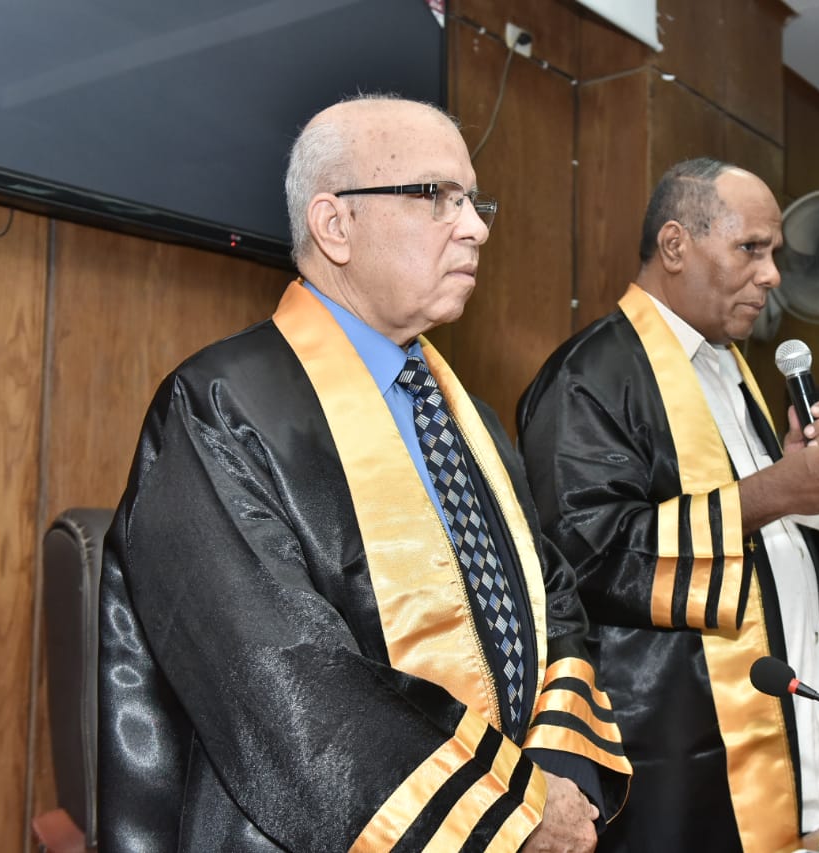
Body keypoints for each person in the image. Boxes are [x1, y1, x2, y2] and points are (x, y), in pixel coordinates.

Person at [97, 95, 630, 853]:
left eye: (474, 201)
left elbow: (554, 602)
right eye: (437, 196)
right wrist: (514, 815)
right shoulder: (219, 408)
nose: (475, 227)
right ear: (334, 225)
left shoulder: (468, 420)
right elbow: (284, 683)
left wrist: (557, 772)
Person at [516, 157, 819, 852]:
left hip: (785, 731)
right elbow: (582, 558)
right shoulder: (590, 374)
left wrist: (799, 486)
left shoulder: (729, 368)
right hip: (672, 745)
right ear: (675, 245)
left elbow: (756, 529)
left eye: (773, 253)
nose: (772, 275)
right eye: (751, 248)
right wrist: (776, 489)